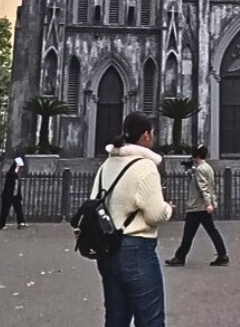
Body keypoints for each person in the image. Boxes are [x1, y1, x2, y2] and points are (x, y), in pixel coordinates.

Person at [91, 112, 174, 327]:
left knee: (116, 319)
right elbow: (155, 215)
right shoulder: (145, 166)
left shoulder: (106, 166)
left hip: (108, 249)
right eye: (153, 133)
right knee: (150, 320)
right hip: (136, 249)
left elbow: (94, 202)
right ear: (146, 135)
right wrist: (168, 209)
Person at [165, 144, 229, 267]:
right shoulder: (207, 167)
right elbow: (210, 186)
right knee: (212, 231)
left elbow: (203, 188)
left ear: (196, 155)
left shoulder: (200, 170)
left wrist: (208, 203)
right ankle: (222, 255)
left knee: (188, 234)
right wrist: (212, 202)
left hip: (196, 207)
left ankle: (179, 257)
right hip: (203, 207)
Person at [0, 156, 28, 230]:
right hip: (8, 195)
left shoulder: (15, 174)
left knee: (18, 209)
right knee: (5, 210)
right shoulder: (11, 174)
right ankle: (2, 224)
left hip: (15, 195)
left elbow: (17, 186)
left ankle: (21, 222)